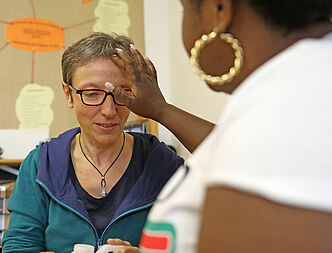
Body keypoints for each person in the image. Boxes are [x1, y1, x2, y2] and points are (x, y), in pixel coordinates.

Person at [105, 0, 332, 252]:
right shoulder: (318, 87)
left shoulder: (308, 107)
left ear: (219, 10)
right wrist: (161, 111)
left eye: (184, 9)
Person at [1, 33, 193, 253]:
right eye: (91, 94)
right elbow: (18, 246)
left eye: (122, 93)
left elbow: (190, 242)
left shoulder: (161, 164)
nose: (109, 111)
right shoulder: (40, 165)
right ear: (68, 94)